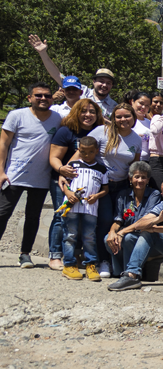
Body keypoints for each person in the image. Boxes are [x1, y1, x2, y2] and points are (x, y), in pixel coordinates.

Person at [0, 83, 63, 269]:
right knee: (3, 213)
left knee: (33, 216)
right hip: (13, 175)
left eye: (47, 96)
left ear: (53, 98)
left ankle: (25, 254)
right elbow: (3, 143)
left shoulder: (57, 118)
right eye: (38, 95)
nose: (43, 98)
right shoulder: (17, 115)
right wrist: (1, 171)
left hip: (41, 178)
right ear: (30, 98)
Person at [86, 103, 141, 276]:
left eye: (127, 116)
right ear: (113, 118)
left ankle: (114, 259)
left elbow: (134, 165)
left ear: (133, 117)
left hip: (122, 187)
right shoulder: (101, 132)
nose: (123, 120)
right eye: (119, 116)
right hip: (101, 185)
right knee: (104, 221)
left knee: (121, 221)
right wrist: (67, 170)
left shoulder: (136, 139)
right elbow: (83, 152)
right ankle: (102, 261)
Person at [48, 99, 102, 271]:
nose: (88, 115)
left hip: (88, 182)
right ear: (76, 112)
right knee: (61, 217)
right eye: (84, 111)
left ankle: (75, 255)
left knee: (81, 220)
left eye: (92, 111)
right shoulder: (66, 131)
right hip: (65, 181)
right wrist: (61, 171)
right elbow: (54, 156)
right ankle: (55, 255)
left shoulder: (99, 130)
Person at [29, 35, 117, 118]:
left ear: (112, 85)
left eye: (108, 83)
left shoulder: (114, 107)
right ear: (94, 81)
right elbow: (57, 74)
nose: (104, 85)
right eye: (101, 81)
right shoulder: (79, 89)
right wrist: (43, 53)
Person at [59, 136, 108, 281]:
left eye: (90, 152)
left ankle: (91, 265)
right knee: (70, 235)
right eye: (83, 152)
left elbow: (105, 189)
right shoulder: (73, 165)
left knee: (89, 237)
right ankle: (69, 265)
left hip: (90, 209)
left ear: (96, 151)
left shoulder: (101, 169)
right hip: (71, 208)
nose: (86, 155)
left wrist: (97, 196)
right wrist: (68, 193)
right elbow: (63, 182)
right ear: (78, 150)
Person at [104, 161, 161, 285]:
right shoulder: (123, 195)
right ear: (130, 178)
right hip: (126, 232)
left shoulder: (154, 195)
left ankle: (130, 273)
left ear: (148, 180)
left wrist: (122, 232)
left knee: (128, 238)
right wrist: (112, 232)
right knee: (107, 239)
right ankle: (118, 272)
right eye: (136, 177)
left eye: (143, 177)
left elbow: (145, 221)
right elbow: (118, 219)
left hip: (144, 236)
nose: (140, 180)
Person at [127, 91, 152, 162]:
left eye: (147, 105)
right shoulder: (127, 121)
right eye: (141, 103)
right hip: (132, 160)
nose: (143, 107)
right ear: (132, 102)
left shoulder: (149, 122)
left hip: (147, 161)